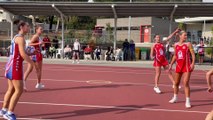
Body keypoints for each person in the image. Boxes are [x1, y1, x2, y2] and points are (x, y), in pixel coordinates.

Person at [0, 20, 33, 120]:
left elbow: (19, 52)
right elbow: (22, 54)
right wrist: (30, 62)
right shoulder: (21, 39)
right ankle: (9, 112)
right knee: (19, 90)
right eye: (27, 26)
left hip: (10, 65)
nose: (29, 28)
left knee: (11, 89)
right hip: (15, 66)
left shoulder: (16, 37)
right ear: (22, 27)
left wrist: (29, 53)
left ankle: (4, 110)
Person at [169, 31, 195, 108]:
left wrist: (193, 63)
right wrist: (171, 64)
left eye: (186, 35)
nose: (186, 37)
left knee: (185, 83)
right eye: (184, 35)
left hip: (187, 66)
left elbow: (193, 54)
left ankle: (187, 101)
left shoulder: (188, 44)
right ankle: (175, 97)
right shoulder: (176, 45)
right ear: (180, 36)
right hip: (178, 66)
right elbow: (175, 56)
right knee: (176, 83)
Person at [150, 28, 180, 94]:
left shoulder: (161, 43)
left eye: (159, 37)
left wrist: (175, 32)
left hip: (163, 60)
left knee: (169, 71)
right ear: (154, 38)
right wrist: (153, 57)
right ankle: (156, 87)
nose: (158, 38)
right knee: (158, 73)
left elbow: (169, 37)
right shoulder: (153, 45)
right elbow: (151, 55)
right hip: (157, 60)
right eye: (157, 37)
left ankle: (174, 84)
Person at [24, 25, 45, 90]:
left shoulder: (38, 37)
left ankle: (24, 82)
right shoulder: (36, 36)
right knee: (38, 70)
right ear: (36, 30)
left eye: (42, 29)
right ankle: (38, 84)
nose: (42, 30)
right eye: (40, 29)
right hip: (36, 54)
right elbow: (30, 44)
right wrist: (39, 43)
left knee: (30, 69)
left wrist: (41, 44)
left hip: (35, 53)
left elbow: (37, 44)